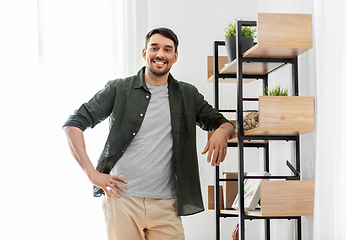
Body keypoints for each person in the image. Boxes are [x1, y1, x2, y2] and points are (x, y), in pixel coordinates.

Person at [63, 27, 235, 240]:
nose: (160, 54)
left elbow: (224, 124)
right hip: (122, 201)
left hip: (167, 206)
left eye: (167, 49)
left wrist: (221, 132)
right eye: (154, 48)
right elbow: (73, 124)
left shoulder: (187, 94)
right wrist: (92, 174)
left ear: (175, 57)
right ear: (145, 53)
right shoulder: (119, 89)